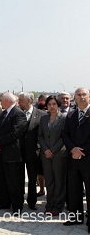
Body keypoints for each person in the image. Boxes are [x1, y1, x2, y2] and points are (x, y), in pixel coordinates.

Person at [0, 92, 27, 216]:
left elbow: (15, 133)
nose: (0, 102)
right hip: (1, 153)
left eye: (1, 100)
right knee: (3, 180)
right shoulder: (4, 113)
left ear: (6, 100)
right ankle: (4, 202)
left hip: (13, 155)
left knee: (14, 182)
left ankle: (17, 207)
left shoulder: (18, 113)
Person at [62, 87, 90, 230]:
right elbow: (65, 134)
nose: (81, 97)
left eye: (84, 94)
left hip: (88, 158)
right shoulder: (71, 115)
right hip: (73, 159)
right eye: (78, 95)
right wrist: (73, 149)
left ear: (89, 97)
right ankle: (75, 217)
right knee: (74, 190)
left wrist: (81, 151)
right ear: (75, 98)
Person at [38, 95, 67, 216]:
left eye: (54, 104)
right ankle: (49, 204)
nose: (52, 106)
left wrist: (53, 150)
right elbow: (40, 135)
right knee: (49, 180)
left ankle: (58, 205)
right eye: (49, 104)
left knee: (59, 180)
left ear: (58, 105)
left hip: (59, 154)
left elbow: (64, 137)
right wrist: (45, 150)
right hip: (46, 155)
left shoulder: (64, 118)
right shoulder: (44, 118)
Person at [18, 92, 46, 210]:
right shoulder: (17, 113)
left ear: (29, 101)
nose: (19, 102)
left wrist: (39, 148)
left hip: (33, 152)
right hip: (18, 152)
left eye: (21, 100)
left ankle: (32, 201)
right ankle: (18, 200)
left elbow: (43, 133)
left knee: (32, 178)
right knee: (18, 177)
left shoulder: (41, 115)